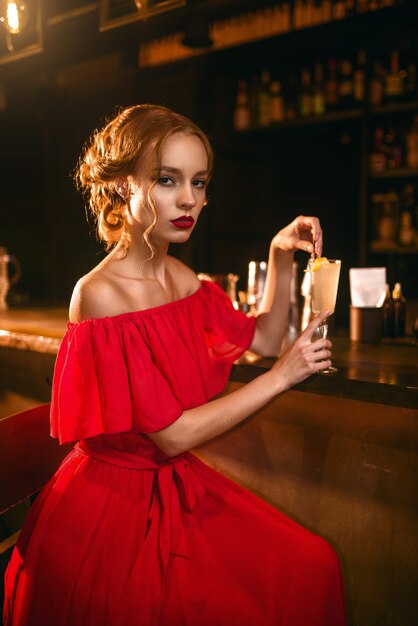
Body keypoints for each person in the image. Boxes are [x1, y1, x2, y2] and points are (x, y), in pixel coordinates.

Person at [4, 104, 346, 626]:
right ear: (123, 185)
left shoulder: (180, 276)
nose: (190, 200)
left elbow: (263, 337)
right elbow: (170, 435)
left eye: (200, 182)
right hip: (112, 507)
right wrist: (282, 377)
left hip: (173, 486)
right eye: (167, 180)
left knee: (311, 563)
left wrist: (278, 253)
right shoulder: (98, 294)